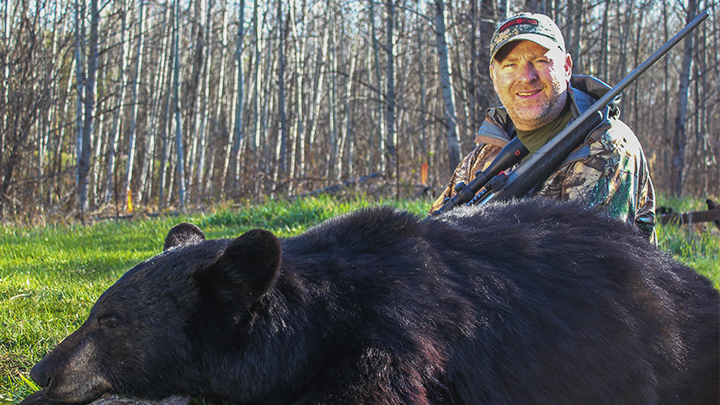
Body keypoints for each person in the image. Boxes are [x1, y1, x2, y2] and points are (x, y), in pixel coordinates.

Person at [429, 12, 656, 242]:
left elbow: (585, 263)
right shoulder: (485, 154)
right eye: (510, 64)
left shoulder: (607, 145)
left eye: (540, 61)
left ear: (566, 67)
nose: (527, 77)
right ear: (494, 77)